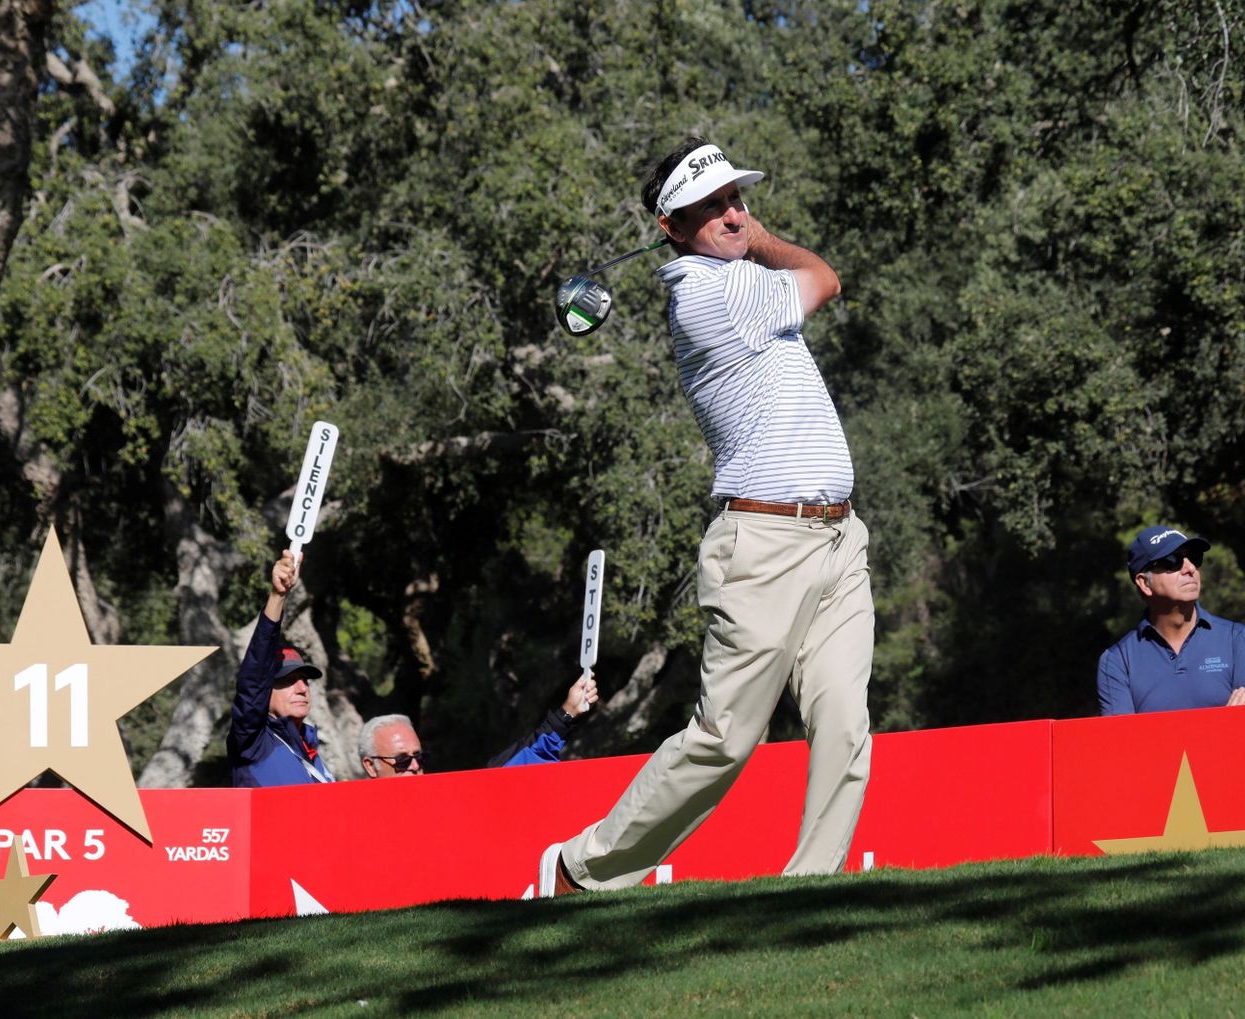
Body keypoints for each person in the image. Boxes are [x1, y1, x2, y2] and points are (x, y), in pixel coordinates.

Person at [540, 138, 873, 896]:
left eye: (738, 199)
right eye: (714, 206)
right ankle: (581, 864)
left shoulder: (736, 282)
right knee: (724, 739)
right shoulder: (710, 293)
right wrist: (762, 240)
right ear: (672, 227)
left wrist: (746, 238)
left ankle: (810, 892)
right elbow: (824, 275)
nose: (734, 214)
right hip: (762, 546)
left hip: (837, 537)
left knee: (845, 722)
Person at [1098, 525, 1245, 715]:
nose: (1190, 568)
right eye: (1173, 561)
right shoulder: (1117, 661)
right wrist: (1225, 725)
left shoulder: (1238, 639)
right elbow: (1123, 742)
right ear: (1144, 583)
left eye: (1194, 558)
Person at [228, 551, 336, 786]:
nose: (301, 688)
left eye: (304, 680)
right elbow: (254, 678)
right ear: (266, 693)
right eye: (288, 680)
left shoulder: (313, 752)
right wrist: (278, 596)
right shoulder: (253, 743)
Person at [357, 675, 600, 778]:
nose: (414, 766)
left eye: (419, 758)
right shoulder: (353, 820)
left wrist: (567, 713)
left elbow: (523, 760)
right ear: (371, 766)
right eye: (401, 760)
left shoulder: (445, 803)